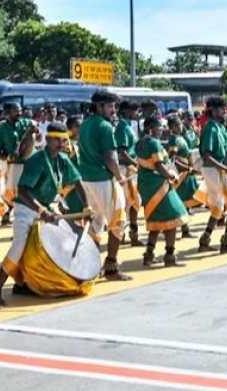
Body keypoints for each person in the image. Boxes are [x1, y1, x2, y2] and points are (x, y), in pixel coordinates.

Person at [0, 122, 90, 307]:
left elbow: (77, 182)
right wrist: (41, 211)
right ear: (47, 139)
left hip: (46, 208)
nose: (61, 144)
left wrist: (87, 207)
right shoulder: (37, 160)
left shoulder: (63, 159)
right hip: (26, 209)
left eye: (64, 140)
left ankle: (29, 283)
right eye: (57, 140)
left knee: (60, 241)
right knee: (19, 247)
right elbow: (22, 191)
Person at [77, 90, 131, 280]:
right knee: (118, 222)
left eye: (114, 106)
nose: (113, 110)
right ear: (99, 106)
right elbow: (110, 158)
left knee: (95, 224)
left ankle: (91, 267)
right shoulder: (105, 126)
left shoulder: (85, 124)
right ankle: (111, 267)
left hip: (86, 180)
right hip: (103, 180)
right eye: (110, 106)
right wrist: (120, 177)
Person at [135, 117, 187, 267]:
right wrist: (171, 176)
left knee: (156, 221)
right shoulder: (153, 143)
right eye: (159, 127)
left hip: (146, 185)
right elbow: (158, 164)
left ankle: (149, 255)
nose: (162, 129)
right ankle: (169, 257)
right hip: (158, 186)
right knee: (174, 217)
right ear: (150, 128)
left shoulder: (140, 142)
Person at [198, 96, 227, 254]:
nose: (225, 112)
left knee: (218, 208)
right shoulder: (210, 128)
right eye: (223, 109)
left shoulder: (219, 127)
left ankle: (204, 241)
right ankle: (225, 243)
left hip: (221, 169)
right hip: (214, 170)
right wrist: (224, 167)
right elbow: (207, 156)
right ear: (214, 110)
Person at [115, 100, 144, 246]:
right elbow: (122, 152)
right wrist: (136, 164)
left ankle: (130, 234)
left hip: (130, 168)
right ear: (126, 111)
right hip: (126, 169)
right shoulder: (122, 127)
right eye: (135, 110)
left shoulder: (127, 126)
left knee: (133, 203)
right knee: (129, 203)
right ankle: (124, 235)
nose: (137, 114)